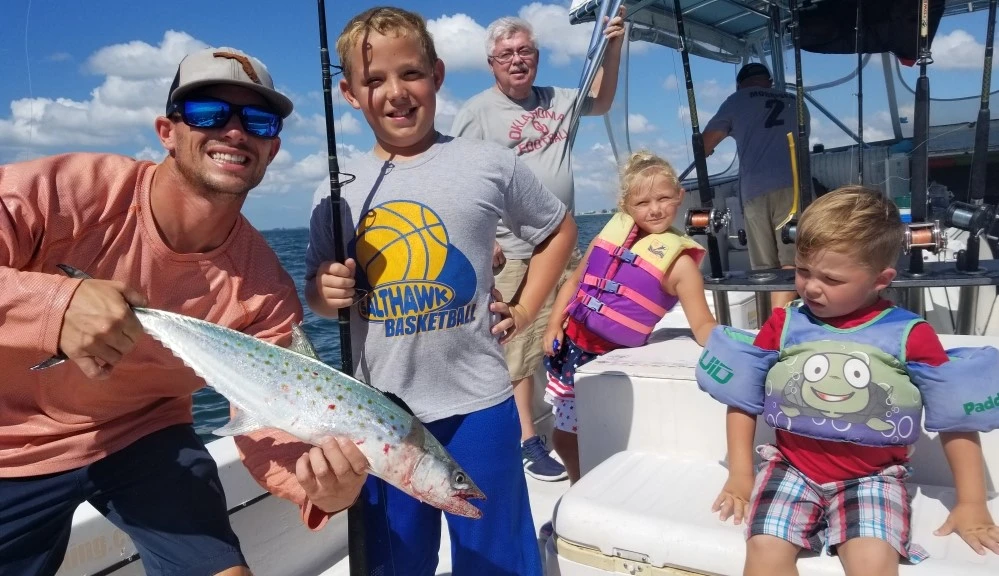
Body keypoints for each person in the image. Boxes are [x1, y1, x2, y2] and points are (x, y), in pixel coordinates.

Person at [0, 47, 366, 576]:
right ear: (166, 131)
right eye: (206, 113)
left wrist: (319, 488)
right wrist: (55, 306)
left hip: (146, 435)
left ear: (273, 148)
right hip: (11, 444)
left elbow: (270, 419)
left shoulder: (265, 289)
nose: (234, 131)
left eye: (257, 120)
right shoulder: (70, 192)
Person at [298, 7, 576, 575]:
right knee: (395, 562)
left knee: (498, 559)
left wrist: (523, 309)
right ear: (349, 94)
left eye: (411, 74)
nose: (395, 93)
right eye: (374, 80)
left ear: (438, 76)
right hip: (379, 414)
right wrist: (326, 293)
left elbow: (558, 230)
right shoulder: (336, 187)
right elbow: (318, 296)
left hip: (481, 405)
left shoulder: (487, 163)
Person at [706, 187, 999, 575]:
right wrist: (741, 474)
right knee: (763, 551)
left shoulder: (911, 335)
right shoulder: (783, 324)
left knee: (873, 563)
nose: (810, 286)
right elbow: (742, 397)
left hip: (873, 480)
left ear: (881, 279)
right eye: (803, 270)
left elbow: (954, 419)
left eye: (830, 278)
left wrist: (972, 503)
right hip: (791, 469)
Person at [450, 9, 625, 481]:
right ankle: (528, 439)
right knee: (517, 349)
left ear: (537, 57)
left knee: (573, 334)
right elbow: (462, 179)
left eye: (525, 51)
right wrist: (481, 239)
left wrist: (612, 45)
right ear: (491, 63)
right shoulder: (476, 113)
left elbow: (602, 100)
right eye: (506, 54)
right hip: (513, 248)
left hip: (564, 245)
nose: (516, 60)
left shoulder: (559, 100)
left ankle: (575, 417)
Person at [542, 150, 717, 484]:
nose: (654, 209)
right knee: (564, 437)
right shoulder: (608, 238)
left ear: (680, 197)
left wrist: (730, 346)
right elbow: (576, 281)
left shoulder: (680, 264)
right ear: (625, 206)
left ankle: (597, 490)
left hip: (615, 361)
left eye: (664, 198)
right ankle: (579, 487)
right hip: (574, 350)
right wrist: (553, 323)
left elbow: (703, 324)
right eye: (642, 203)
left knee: (607, 438)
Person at [702, 62, 810, 310]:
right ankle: (788, 318)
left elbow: (705, 143)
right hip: (796, 189)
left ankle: (775, 323)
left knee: (765, 267)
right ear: (770, 82)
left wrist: (708, 149)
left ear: (740, 85)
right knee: (794, 260)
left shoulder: (737, 100)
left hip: (757, 191)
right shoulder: (796, 102)